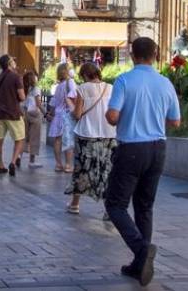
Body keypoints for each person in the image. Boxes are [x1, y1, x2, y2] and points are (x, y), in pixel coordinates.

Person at [104, 37, 181, 287]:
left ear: (133, 54)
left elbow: (113, 116)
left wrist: (113, 114)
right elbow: (175, 121)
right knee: (144, 207)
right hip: (158, 148)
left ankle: (141, 250)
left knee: (115, 204)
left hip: (132, 149)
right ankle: (139, 266)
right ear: (155, 55)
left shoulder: (125, 80)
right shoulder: (165, 83)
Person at [65, 62, 116, 216]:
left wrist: (71, 107)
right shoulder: (111, 88)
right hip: (109, 134)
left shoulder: (82, 89)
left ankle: (75, 204)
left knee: (82, 169)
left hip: (86, 135)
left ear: (85, 75)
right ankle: (109, 209)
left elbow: (77, 114)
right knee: (107, 171)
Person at [0, 54, 26, 176]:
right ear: (9, 63)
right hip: (13, 113)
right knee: (19, 138)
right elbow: (22, 97)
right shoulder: (16, 77)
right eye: (13, 61)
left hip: (0, 114)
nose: (14, 63)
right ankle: (12, 162)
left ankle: (1, 165)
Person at [48, 63, 77, 173]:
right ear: (67, 71)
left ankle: (58, 164)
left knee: (57, 140)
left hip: (58, 115)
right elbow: (74, 97)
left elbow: (54, 102)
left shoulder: (59, 86)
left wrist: (49, 114)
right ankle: (68, 165)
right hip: (67, 115)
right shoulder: (71, 82)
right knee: (68, 140)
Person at [22, 70, 44, 169]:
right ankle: (31, 161)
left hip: (25, 113)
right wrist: (46, 113)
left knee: (24, 137)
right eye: (35, 76)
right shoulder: (36, 89)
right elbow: (38, 103)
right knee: (34, 138)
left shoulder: (24, 89)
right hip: (35, 115)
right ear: (33, 79)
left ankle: (18, 156)